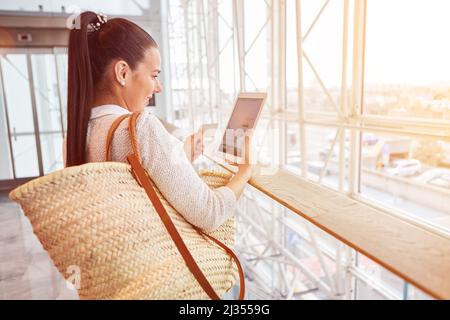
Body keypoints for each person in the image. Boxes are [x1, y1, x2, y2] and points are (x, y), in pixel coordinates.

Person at [65, 11, 253, 232]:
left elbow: (135, 188)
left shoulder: (76, 136)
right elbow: (210, 213)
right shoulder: (140, 127)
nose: (158, 87)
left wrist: (180, 155)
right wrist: (246, 170)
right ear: (123, 72)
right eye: (154, 75)